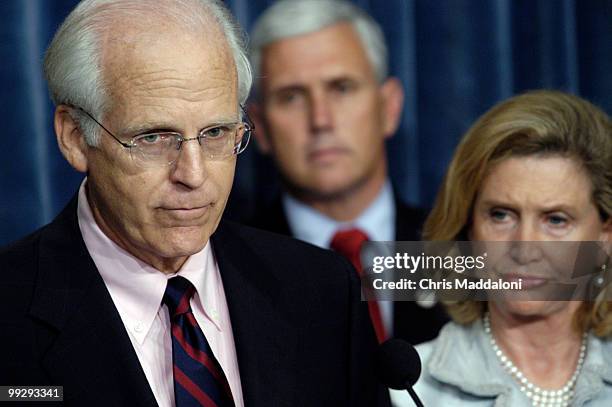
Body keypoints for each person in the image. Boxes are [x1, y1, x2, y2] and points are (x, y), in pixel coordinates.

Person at [0, 1, 391, 406]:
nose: (193, 174)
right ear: (75, 138)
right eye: (153, 138)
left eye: (216, 132)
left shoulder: (323, 291)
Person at [391, 90, 612, 406]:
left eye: (556, 220)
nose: (524, 250)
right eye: (501, 215)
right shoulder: (411, 391)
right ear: (468, 227)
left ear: (605, 236)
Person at [247, 0, 447, 345]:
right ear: (260, 127)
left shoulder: (459, 249)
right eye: (292, 97)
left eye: (341, 88)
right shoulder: (230, 268)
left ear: (389, 107)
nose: (320, 120)